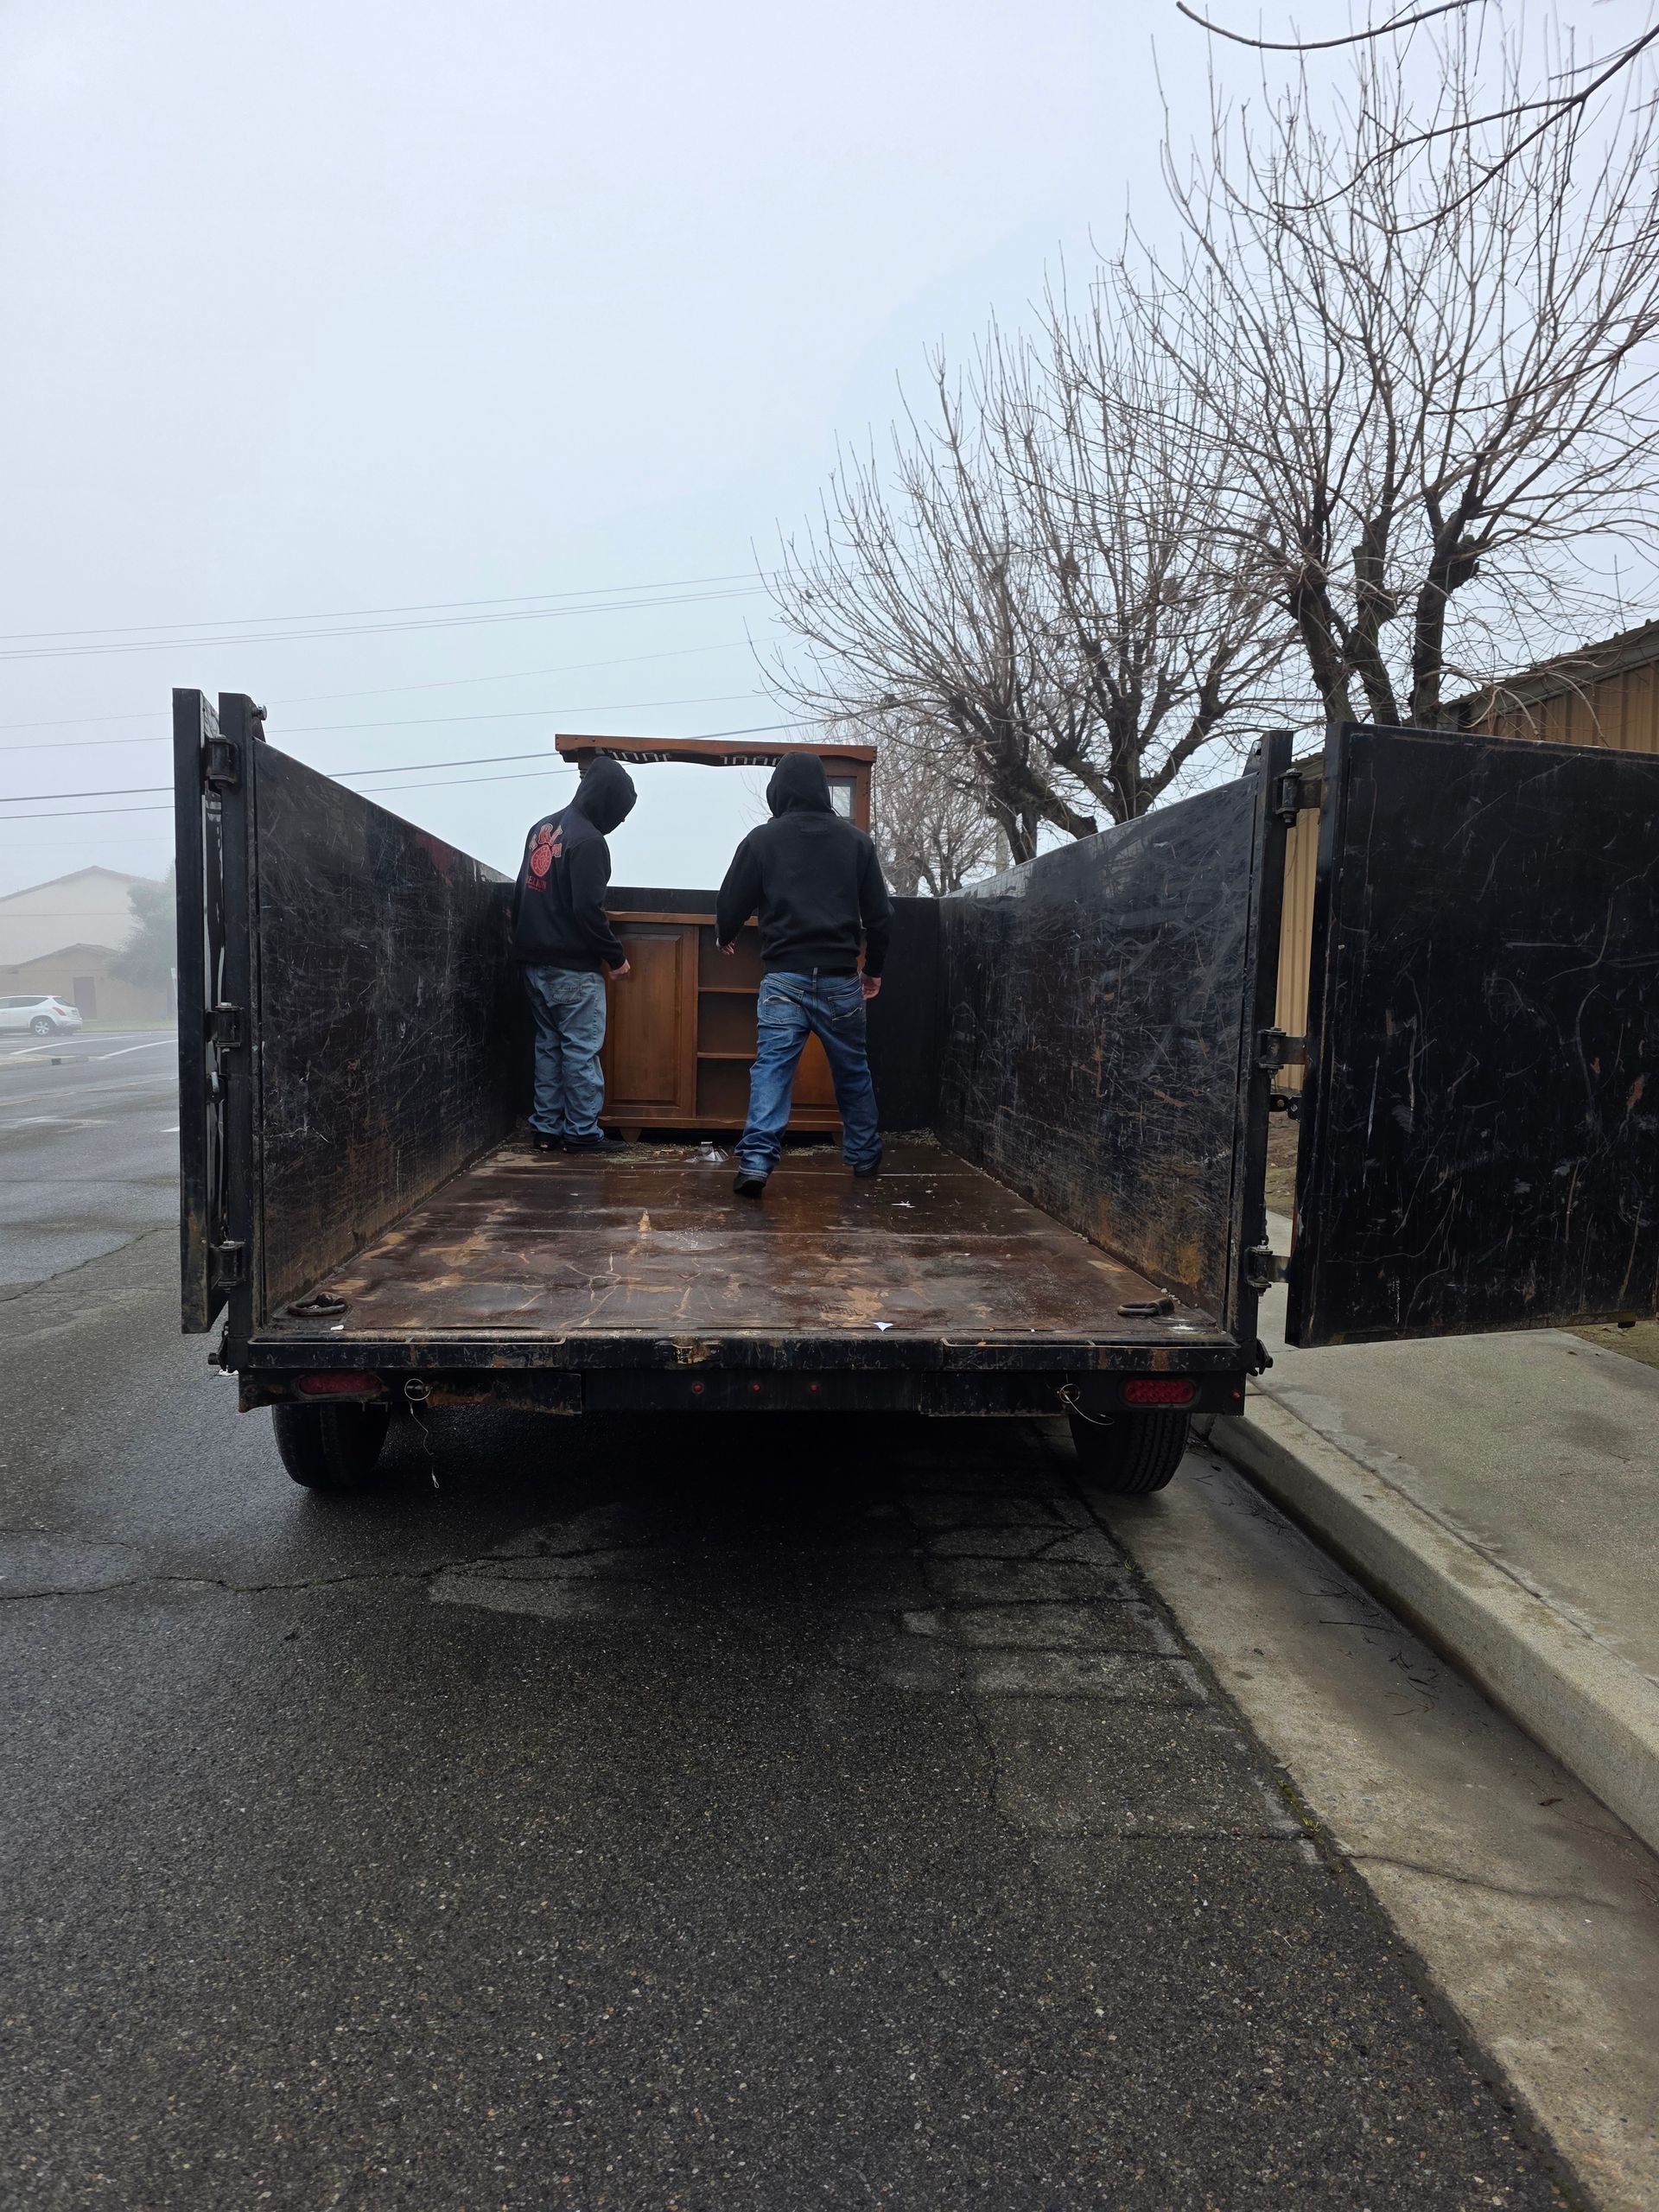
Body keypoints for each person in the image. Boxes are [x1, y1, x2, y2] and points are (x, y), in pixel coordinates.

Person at [715, 752, 892, 1198]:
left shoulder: (762, 840)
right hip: (840, 978)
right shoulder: (857, 843)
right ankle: (864, 1156)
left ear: (778, 790)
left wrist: (726, 932)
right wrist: (873, 969)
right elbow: (881, 917)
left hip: (784, 978)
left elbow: (731, 900)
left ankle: (756, 1163)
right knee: (851, 1070)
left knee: (772, 1070)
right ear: (821, 789)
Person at [511, 754, 637, 1154]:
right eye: (620, 813)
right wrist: (615, 957)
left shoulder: (542, 828)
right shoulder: (589, 842)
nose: (618, 822)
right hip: (572, 970)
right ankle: (581, 1133)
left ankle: (546, 1130)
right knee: (581, 1051)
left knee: (548, 1046)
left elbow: (521, 892)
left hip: (533, 963)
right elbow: (587, 910)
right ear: (607, 802)